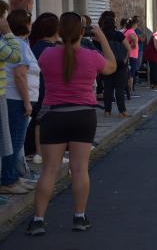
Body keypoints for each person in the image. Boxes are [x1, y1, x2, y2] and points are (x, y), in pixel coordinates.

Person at [27, 12, 117, 236]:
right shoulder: (91, 56)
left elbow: (46, 64)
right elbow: (112, 66)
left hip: (53, 116)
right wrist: (103, 39)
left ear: (59, 31)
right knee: (79, 169)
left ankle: (38, 220)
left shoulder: (47, 55)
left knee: (49, 170)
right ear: (81, 32)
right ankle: (79, 216)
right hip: (83, 116)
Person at [0, 10, 39, 195]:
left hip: (14, 98)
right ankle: (8, 179)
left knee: (15, 141)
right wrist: (27, 102)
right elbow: (20, 75)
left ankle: (13, 176)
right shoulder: (19, 46)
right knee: (14, 141)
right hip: (16, 99)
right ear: (25, 24)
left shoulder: (19, 44)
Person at [27, 13, 59, 165]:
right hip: (48, 90)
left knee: (40, 121)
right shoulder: (51, 49)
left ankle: (39, 153)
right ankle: (44, 153)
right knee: (47, 122)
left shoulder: (35, 46)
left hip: (37, 89)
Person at [98, 11, 130, 117]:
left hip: (105, 64)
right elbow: (128, 48)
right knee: (119, 89)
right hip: (120, 65)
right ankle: (122, 111)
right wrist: (125, 59)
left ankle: (107, 111)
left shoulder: (100, 36)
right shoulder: (119, 35)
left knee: (107, 88)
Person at [123, 18, 140, 100]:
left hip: (130, 55)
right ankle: (129, 92)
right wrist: (133, 44)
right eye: (136, 24)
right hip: (132, 55)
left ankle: (128, 91)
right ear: (133, 24)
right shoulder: (131, 32)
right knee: (131, 75)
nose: (137, 25)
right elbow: (134, 44)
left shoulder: (126, 31)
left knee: (129, 74)